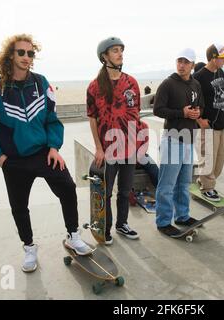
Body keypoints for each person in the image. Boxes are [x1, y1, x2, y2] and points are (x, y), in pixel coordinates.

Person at [0, 34, 92, 273]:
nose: (27, 57)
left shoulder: (41, 82)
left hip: (43, 154)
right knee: (19, 207)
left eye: (30, 53)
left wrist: (53, 147)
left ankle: (73, 235)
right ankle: (29, 247)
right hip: (14, 160)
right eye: (21, 53)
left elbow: (51, 119)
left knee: (68, 189)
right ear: (10, 55)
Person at [87, 36, 148, 245]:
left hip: (130, 147)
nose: (120, 53)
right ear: (104, 56)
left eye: (121, 50)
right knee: (106, 191)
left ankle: (122, 224)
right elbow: (92, 118)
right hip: (108, 149)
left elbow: (136, 115)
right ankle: (105, 228)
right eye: (115, 50)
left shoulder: (131, 82)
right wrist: (98, 147)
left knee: (125, 190)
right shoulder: (95, 87)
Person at [153, 48, 204, 236]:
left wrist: (198, 113)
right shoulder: (167, 84)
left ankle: (182, 216)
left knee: (184, 184)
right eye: (179, 61)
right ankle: (163, 222)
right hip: (172, 140)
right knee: (166, 186)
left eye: (186, 62)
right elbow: (158, 109)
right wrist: (181, 113)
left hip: (190, 139)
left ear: (192, 65)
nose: (182, 65)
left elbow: (202, 105)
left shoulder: (196, 84)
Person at [193, 43, 224, 201]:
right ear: (214, 58)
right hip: (207, 125)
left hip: (222, 123)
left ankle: (204, 180)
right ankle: (207, 187)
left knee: (220, 158)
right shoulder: (199, 77)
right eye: (223, 57)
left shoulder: (221, 72)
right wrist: (200, 120)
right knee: (207, 157)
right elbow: (192, 102)